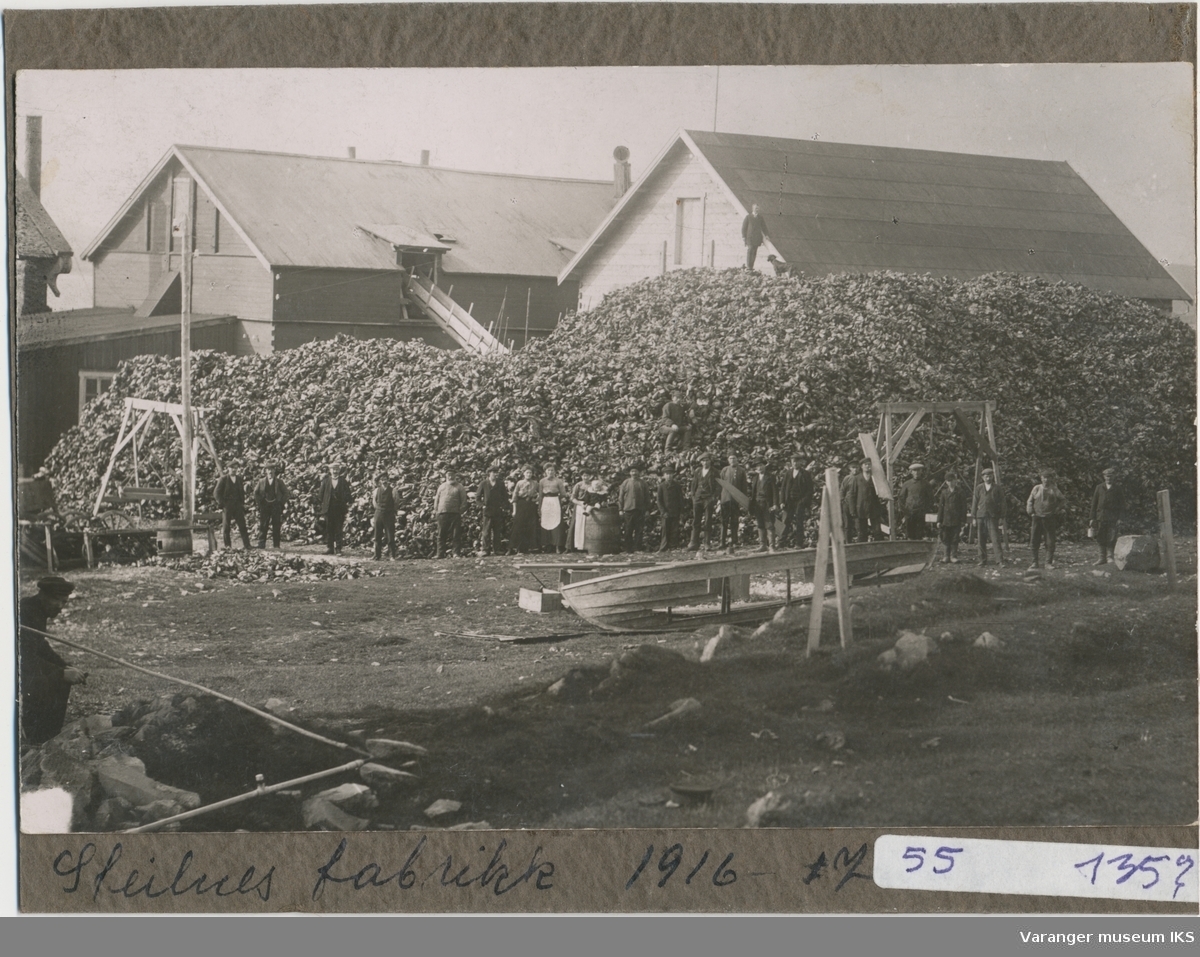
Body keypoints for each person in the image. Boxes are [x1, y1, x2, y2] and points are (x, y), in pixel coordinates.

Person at [19, 576, 87, 744]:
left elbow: (39, 645)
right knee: (52, 682)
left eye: (64, 603)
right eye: (59, 602)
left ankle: (48, 736)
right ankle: (36, 740)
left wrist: (63, 665)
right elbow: (24, 658)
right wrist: (60, 673)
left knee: (62, 678)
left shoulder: (37, 611)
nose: (61, 608)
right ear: (44, 596)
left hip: (23, 664)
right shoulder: (24, 613)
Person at [1027, 469, 1066, 569]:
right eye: (1044, 477)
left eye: (1048, 477)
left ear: (1051, 479)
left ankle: (1048, 563)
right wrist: (1031, 511)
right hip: (1037, 518)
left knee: (1050, 541)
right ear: (1041, 478)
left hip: (1049, 518)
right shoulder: (1036, 488)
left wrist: (1057, 509)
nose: (1046, 480)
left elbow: (1063, 500)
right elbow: (1030, 501)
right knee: (1034, 540)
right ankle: (1034, 562)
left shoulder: (1054, 489)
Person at [1088, 467, 1125, 565]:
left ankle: (1109, 557)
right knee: (1100, 536)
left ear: (1114, 477)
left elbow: (1122, 505)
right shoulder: (1099, 487)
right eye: (1107, 476)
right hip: (1101, 517)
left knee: (1111, 536)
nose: (1109, 478)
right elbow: (1094, 503)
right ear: (1104, 477)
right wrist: (1092, 518)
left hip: (1112, 517)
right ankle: (1101, 558)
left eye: (1111, 476)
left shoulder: (1117, 489)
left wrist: (1120, 518)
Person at [972, 467, 1007, 565]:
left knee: (995, 538)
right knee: (981, 539)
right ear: (983, 477)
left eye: (990, 476)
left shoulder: (997, 488)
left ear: (992, 477)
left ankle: (1000, 560)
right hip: (981, 516)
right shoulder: (979, 488)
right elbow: (974, 503)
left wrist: (1002, 516)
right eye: (986, 476)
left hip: (992, 516)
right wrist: (973, 517)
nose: (988, 478)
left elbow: (1003, 503)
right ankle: (982, 560)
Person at [778, 452, 814, 547]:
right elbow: (783, 488)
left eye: (797, 462)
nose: (795, 463)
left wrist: (803, 502)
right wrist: (782, 501)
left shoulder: (805, 474)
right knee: (785, 522)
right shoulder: (788, 473)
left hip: (800, 501)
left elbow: (810, 490)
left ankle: (799, 543)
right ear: (791, 462)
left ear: (800, 462)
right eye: (793, 461)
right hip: (789, 501)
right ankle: (781, 543)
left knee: (799, 522)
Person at [213, 460, 251, 550]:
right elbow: (216, 493)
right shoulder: (223, 479)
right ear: (228, 469)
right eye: (232, 468)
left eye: (236, 468)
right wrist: (222, 503)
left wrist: (242, 503)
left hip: (237, 505)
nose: (234, 470)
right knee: (226, 526)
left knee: (242, 525)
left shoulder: (239, 479)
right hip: (228, 505)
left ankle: (247, 545)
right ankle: (228, 545)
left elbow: (241, 492)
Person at [688, 453, 721, 550]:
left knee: (707, 520)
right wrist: (694, 497)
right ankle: (694, 543)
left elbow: (718, 487)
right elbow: (694, 484)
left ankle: (706, 543)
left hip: (708, 498)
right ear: (701, 462)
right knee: (696, 520)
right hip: (698, 498)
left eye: (707, 460)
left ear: (710, 461)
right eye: (703, 461)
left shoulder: (715, 472)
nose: (705, 462)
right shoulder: (698, 471)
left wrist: (713, 497)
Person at [935, 470, 969, 564]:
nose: (950, 482)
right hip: (946, 519)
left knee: (955, 537)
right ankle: (946, 556)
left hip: (956, 519)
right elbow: (940, 507)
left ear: (956, 481)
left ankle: (953, 556)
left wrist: (963, 520)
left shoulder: (960, 492)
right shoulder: (944, 492)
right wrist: (939, 520)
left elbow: (964, 507)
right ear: (946, 482)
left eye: (952, 480)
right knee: (945, 537)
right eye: (948, 481)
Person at [477, 466, 511, 556]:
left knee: (497, 531)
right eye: (493, 472)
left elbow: (505, 497)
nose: (495, 474)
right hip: (487, 511)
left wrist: (504, 507)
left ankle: (497, 550)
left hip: (497, 510)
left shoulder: (500, 484)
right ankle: (485, 550)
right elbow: (477, 498)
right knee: (486, 531)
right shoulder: (483, 483)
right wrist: (482, 505)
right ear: (489, 473)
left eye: (496, 473)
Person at [320, 463, 353, 555]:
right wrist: (325, 504)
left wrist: (344, 502)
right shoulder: (326, 481)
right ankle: (330, 548)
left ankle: (338, 549)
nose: (335, 471)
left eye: (337, 469)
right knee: (329, 529)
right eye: (333, 469)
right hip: (329, 509)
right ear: (330, 471)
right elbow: (321, 495)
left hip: (339, 509)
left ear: (339, 470)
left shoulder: (343, 481)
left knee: (338, 529)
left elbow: (348, 494)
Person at [897, 463, 935, 540]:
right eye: (914, 471)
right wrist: (905, 510)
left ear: (921, 471)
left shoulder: (926, 484)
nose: (916, 473)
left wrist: (925, 510)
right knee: (910, 534)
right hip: (909, 512)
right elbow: (901, 498)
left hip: (920, 513)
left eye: (918, 470)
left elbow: (931, 499)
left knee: (919, 534)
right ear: (911, 472)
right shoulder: (907, 484)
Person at [254, 464, 289, 549]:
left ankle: (276, 545)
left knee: (276, 525)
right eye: (268, 470)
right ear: (266, 471)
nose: (270, 472)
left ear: (274, 471)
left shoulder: (279, 482)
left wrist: (281, 503)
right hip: (265, 506)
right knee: (263, 525)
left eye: (272, 470)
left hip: (275, 506)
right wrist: (260, 502)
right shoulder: (261, 481)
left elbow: (286, 493)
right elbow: (256, 493)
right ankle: (261, 544)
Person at [848, 459, 882, 543]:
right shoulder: (856, 479)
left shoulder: (875, 478)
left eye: (869, 464)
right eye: (865, 464)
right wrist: (852, 510)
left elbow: (881, 492)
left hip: (874, 508)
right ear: (861, 467)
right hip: (861, 509)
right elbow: (852, 495)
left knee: (877, 531)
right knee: (862, 533)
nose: (867, 466)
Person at [618, 464, 650, 553]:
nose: (634, 473)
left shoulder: (643, 483)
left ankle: (637, 548)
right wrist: (620, 509)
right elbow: (620, 497)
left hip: (640, 509)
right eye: (632, 471)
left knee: (639, 529)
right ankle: (628, 548)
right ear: (629, 473)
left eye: (635, 471)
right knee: (628, 529)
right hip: (628, 509)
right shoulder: (625, 482)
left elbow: (647, 497)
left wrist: (647, 509)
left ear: (638, 472)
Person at [434, 470, 467, 558]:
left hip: (455, 513)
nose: (450, 477)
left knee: (456, 534)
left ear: (455, 476)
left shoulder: (459, 487)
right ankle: (440, 553)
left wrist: (460, 511)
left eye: (452, 475)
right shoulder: (441, 486)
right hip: (442, 512)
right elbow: (437, 499)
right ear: (446, 476)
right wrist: (436, 510)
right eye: (448, 475)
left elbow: (464, 501)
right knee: (441, 534)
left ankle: (456, 553)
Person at [719, 453, 749, 549]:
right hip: (725, 499)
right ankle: (722, 541)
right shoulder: (725, 470)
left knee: (734, 521)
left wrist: (743, 499)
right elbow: (721, 484)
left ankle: (734, 541)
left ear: (737, 459)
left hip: (736, 500)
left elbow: (744, 486)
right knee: (724, 521)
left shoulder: (741, 471)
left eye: (734, 458)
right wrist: (720, 498)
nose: (732, 460)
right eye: (730, 458)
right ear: (728, 460)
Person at [538, 464, 571, 554]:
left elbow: (563, 494)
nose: (550, 472)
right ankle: (547, 546)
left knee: (557, 523)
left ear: (554, 471)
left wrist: (559, 501)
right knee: (546, 523)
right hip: (545, 502)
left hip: (555, 501)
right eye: (548, 470)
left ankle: (557, 546)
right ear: (545, 472)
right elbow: (540, 495)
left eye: (552, 470)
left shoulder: (558, 481)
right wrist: (539, 507)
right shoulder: (542, 481)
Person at [748, 458, 778, 552]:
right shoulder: (755, 478)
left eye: (761, 465)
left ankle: (772, 546)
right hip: (757, 503)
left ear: (765, 466)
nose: (759, 468)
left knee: (769, 524)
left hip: (767, 503)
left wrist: (775, 504)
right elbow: (753, 492)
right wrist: (752, 504)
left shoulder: (770, 477)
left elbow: (775, 491)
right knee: (760, 524)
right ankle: (763, 545)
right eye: (757, 466)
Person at [510, 467, 540, 554]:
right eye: (527, 473)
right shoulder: (519, 483)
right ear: (524, 474)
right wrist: (514, 510)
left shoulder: (535, 483)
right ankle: (518, 548)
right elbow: (514, 497)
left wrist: (536, 499)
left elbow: (540, 493)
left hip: (531, 505)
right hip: (521, 505)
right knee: (519, 526)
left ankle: (530, 548)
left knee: (531, 526)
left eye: (530, 473)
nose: (529, 474)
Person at [656, 463, 685, 552]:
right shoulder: (661, 486)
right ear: (664, 475)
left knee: (674, 530)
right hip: (665, 512)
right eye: (667, 474)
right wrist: (663, 512)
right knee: (665, 530)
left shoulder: (677, 486)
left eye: (670, 474)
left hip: (675, 511)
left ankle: (673, 546)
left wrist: (681, 511)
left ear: (673, 475)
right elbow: (659, 500)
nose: (669, 476)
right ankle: (663, 547)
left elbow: (680, 499)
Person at [372, 471, 398, 560]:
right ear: (379, 481)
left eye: (386, 479)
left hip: (389, 514)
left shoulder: (393, 490)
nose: (384, 481)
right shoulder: (376, 490)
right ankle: (377, 555)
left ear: (388, 480)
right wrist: (379, 510)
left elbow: (396, 502)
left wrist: (390, 510)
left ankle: (392, 555)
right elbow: (374, 503)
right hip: (378, 514)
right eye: (382, 479)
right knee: (377, 535)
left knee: (390, 535)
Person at [567, 471, 592, 552]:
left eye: (587, 476)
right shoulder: (578, 485)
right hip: (579, 507)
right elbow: (572, 498)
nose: (586, 477)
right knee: (577, 526)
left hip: (590, 508)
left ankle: (588, 546)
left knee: (589, 526)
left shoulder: (593, 485)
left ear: (590, 476)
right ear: (581, 476)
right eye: (584, 476)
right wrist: (580, 503)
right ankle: (577, 546)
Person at [741, 202, 769, 270]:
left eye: (758, 208)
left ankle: (751, 267)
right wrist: (744, 237)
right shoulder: (748, 217)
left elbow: (764, 227)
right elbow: (744, 228)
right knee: (750, 250)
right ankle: (748, 266)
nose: (757, 210)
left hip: (757, 238)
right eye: (756, 208)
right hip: (750, 238)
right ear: (752, 209)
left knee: (754, 252)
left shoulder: (760, 218)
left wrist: (766, 235)